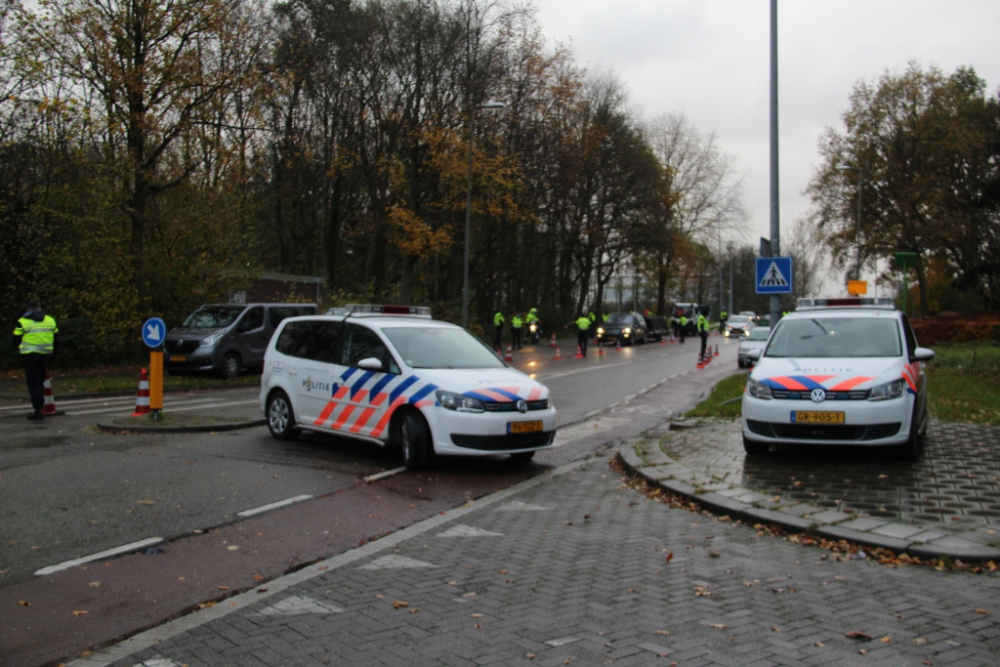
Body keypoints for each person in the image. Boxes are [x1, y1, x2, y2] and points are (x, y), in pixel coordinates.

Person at [13, 300, 59, 420]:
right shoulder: (50, 320)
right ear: (39, 308)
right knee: (41, 380)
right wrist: (53, 355)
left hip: (30, 355)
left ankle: (38, 410)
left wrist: (18, 351)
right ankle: (40, 406)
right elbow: (57, 339)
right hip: (46, 355)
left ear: (28, 309)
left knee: (33, 382)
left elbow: (15, 339)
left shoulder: (22, 321)